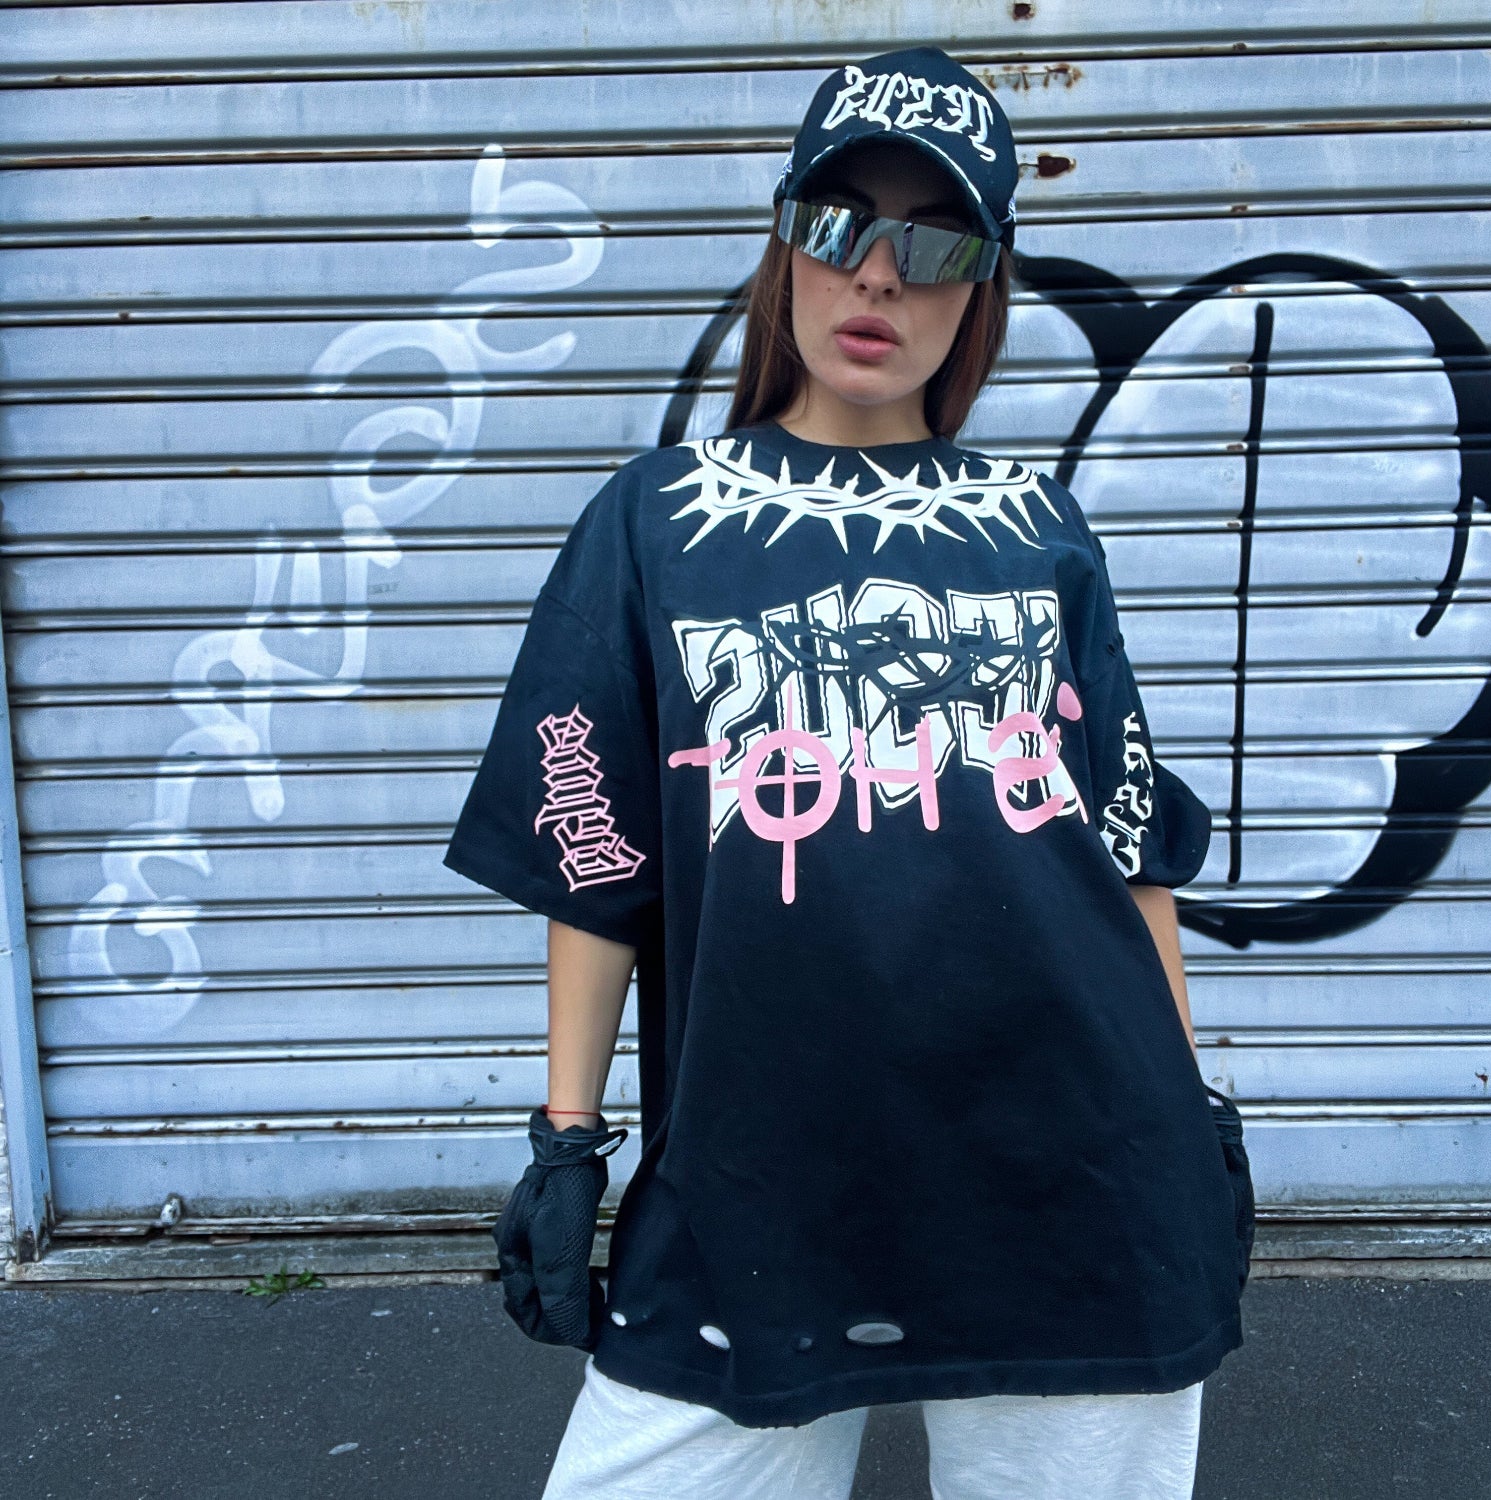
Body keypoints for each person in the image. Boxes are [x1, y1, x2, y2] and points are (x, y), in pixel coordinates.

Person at [444, 45, 1254, 1500]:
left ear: (980, 284)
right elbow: (595, 853)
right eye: (839, 225)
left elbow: (1122, 843)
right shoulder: (651, 524)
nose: (878, 275)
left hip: (1075, 1167)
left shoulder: (1040, 527)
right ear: (786, 244)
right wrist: (565, 1140)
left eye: (933, 239)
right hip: (761, 1168)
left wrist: (1193, 1109)